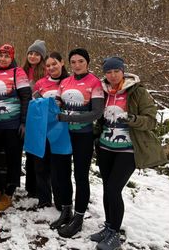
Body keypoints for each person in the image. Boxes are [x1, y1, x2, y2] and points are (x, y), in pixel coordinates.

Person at [90, 57, 167, 250]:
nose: (112, 75)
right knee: (108, 189)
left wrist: (131, 118)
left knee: (114, 190)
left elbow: (151, 121)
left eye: (116, 71)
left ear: (123, 71)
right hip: (105, 148)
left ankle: (114, 234)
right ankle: (108, 228)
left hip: (128, 150)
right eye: (108, 72)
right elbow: (99, 117)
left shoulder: (138, 92)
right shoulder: (103, 92)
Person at [52, 48, 104, 238]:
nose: (76, 65)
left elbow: (97, 113)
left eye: (80, 61)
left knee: (81, 176)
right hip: (63, 135)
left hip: (83, 135)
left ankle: (79, 218)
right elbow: (57, 103)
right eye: (73, 62)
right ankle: (67, 210)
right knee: (62, 174)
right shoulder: (65, 82)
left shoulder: (95, 83)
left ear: (87, 62)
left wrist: (65, 117)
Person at [0, 44, 31, 211]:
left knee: (13, 159)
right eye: (0, 55)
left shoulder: (18, 72)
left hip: (13, 125)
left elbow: (26, 97)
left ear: (12, 58)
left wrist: (24, 121)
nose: (3, 59)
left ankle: (9, 193)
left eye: (7, 56)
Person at [31, 52, 68, 209]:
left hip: (62, 131)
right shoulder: (40, 83)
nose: (51, 68)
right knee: (40, 166)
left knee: (58, 168)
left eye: (54, 64)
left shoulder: (69, 82)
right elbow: (34, 104)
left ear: (62, 63)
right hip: (42, 129)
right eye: (48, 65)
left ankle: (61, 202)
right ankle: (44, 199)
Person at [22, 39, 47, 199]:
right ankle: (30, 187)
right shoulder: (22, 71)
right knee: (29, 151)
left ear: (42, 57)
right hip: (25, 115)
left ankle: (40, 188)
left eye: (36, 54)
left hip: (39, 116)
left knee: (39, 152)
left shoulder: (44, 72)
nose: (32, 56)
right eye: (30, 53)